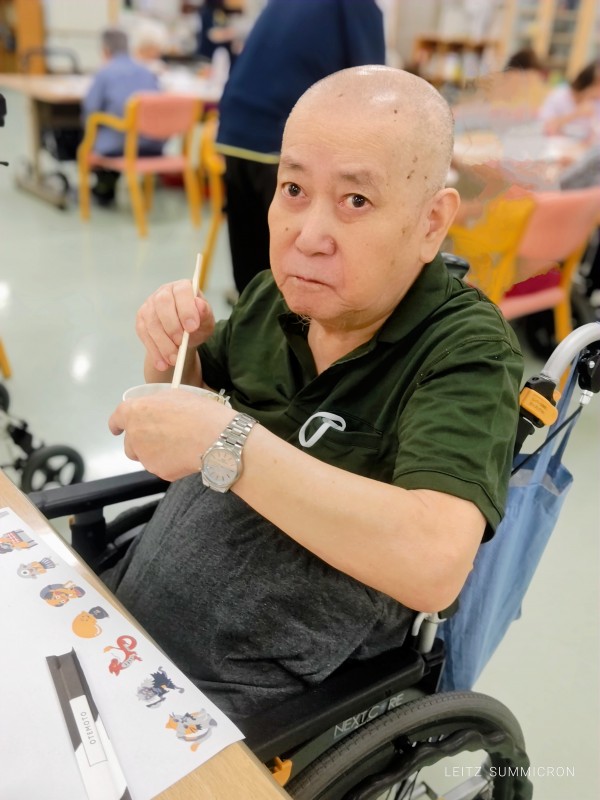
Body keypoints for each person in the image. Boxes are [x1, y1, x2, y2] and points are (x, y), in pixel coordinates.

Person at [106, 65, 523, 723]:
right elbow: (183, 426)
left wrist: (227, 441)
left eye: (355, 200)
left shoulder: (465, 350)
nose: (307, 236)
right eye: (294, 189)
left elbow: (435, 564)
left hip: (243, 702)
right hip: (128, 626)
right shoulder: (276, 297)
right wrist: (170, 355)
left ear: (431, 222)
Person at [215, 0, 386, 295]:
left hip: (236, 130)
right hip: (279, 134)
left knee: (250, 254)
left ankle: (249, 309)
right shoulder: (356, 5)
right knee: (294, 258)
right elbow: (374, 85)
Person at [82, 28, 163, 206]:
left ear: (105, 50)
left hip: (121, 147)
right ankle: (106, 185)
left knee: (88, 135)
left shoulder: (104, 73)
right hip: (153, 144)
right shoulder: (147, 72)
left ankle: (102, 186)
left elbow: (91, 110)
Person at [538, 59, 600, 141]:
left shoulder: (596, 103)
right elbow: (545, 127)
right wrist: (576, 113)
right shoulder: (559, 96)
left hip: (581, 147)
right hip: (553, 144)